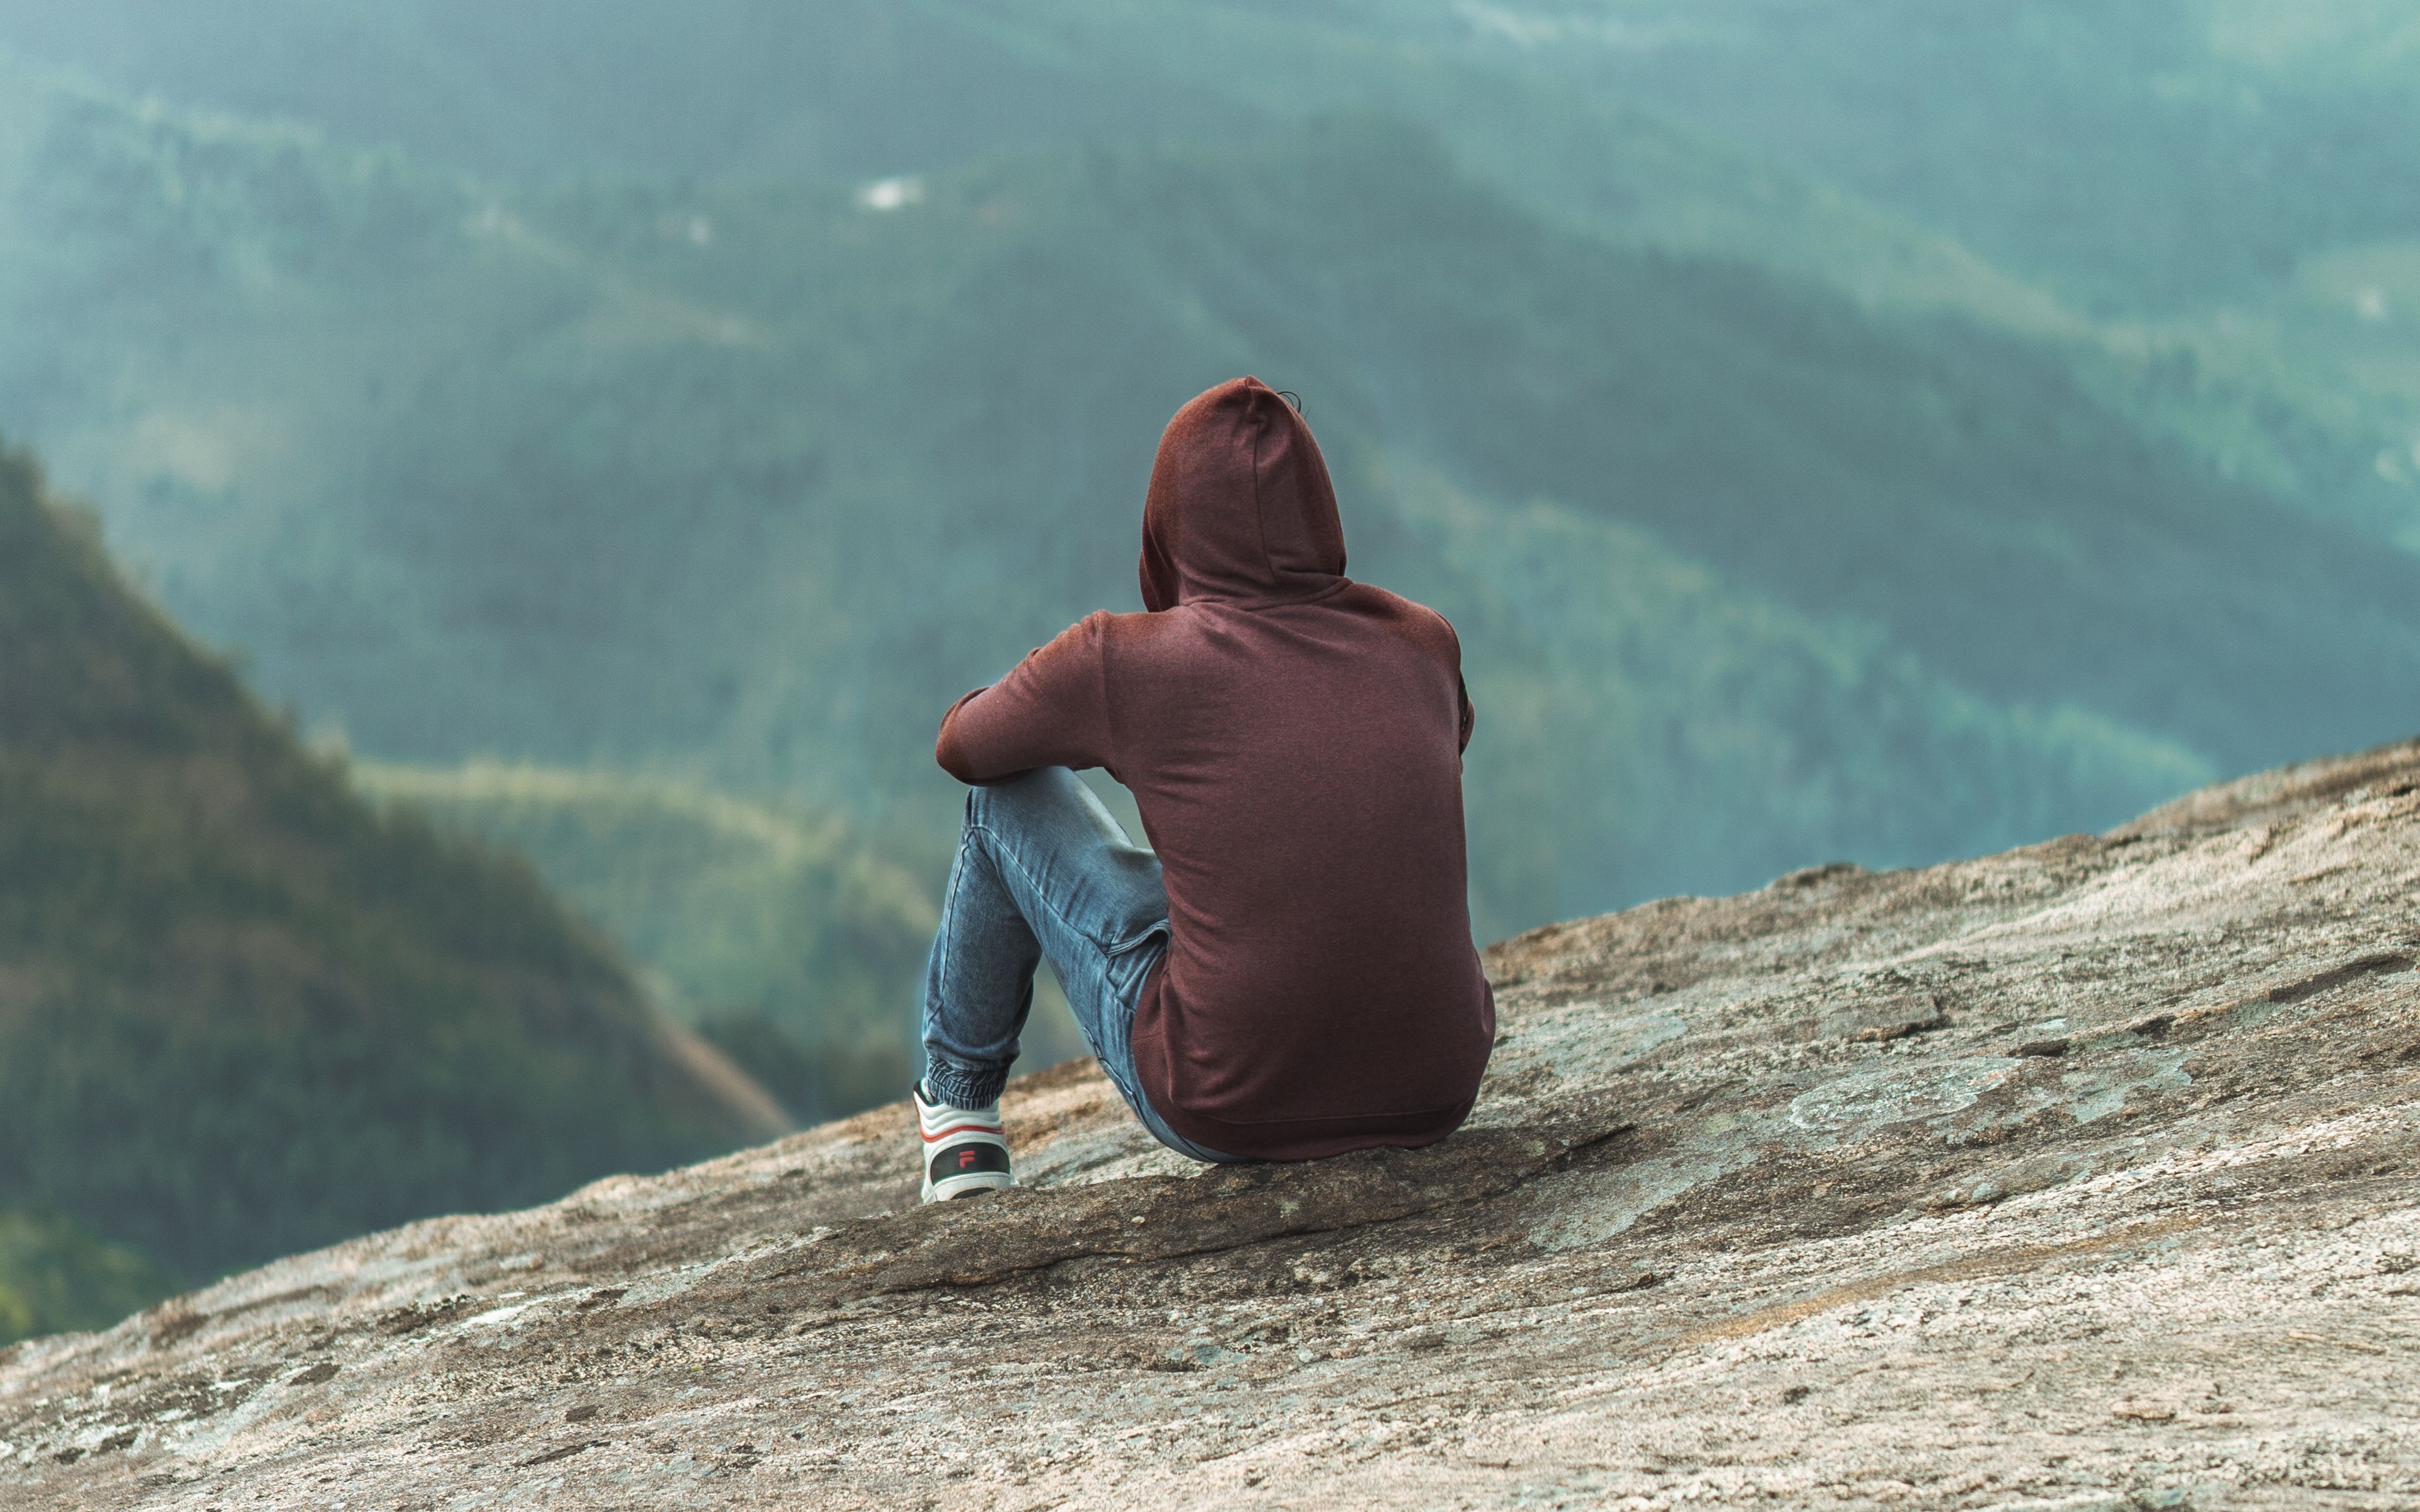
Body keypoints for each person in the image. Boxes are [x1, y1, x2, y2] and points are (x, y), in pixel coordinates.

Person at [912, 376, 1495, 1200]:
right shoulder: (1424, 644)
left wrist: (1073, 689)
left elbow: (965, 748)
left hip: (1229, 1099)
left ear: (1167, 526)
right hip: (1436, 1088)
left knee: (1004, 804)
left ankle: (958, 1117)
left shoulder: (1123, 660)